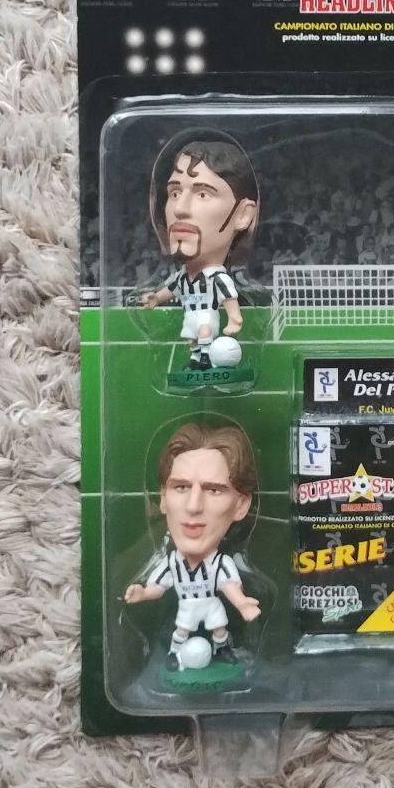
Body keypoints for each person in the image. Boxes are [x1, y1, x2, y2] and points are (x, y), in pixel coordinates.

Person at [124, 422, 261, 670]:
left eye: (213, 490)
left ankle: (222, 650)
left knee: (219, 627)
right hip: (187, 607)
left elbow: (229, 586)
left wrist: (242, 603)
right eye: (181, 487)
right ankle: (174, 655)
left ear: (241, 505)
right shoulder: (172, 563)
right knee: (181, 631)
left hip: (210, 604)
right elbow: (157, 587)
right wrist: (142, 594)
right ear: (163, 498)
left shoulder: (220, 563)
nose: (193, 506)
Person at [142, 130, 259, 370]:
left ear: (243, 215)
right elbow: (171, 289)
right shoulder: (182, 278)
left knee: (205, 331)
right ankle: (197, 359)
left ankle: (206, 358)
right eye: (175, 193)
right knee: (192, 337)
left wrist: (235, 317)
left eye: (203, 194)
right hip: (191, 317)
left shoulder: (216, 277)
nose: (180, 209)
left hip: (207, 317)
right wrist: (156, 297)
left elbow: (228, 295)